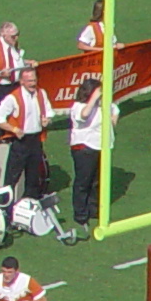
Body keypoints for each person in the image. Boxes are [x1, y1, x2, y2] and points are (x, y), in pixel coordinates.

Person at [0, 65, 54, 197]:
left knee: (34, 176)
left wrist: (47, 120)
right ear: (21, 81)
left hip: (36, 140)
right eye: (29, 81)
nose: (33, 84)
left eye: (34, 80)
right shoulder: (12, 98)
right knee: (12, 177)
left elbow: (49, 112)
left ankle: (30, 203)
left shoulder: (41, 93)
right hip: (20, 141)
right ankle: (5, 206)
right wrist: (13, 129)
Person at [66, 75, 106, 227]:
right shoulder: (78, 107)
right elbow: (84, 115)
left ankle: (93, 209)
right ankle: (80, 214)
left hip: (97, 147)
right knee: (83, 182)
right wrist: (94, 98)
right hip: (83, 148)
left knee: (95, 181)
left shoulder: (99, 107)